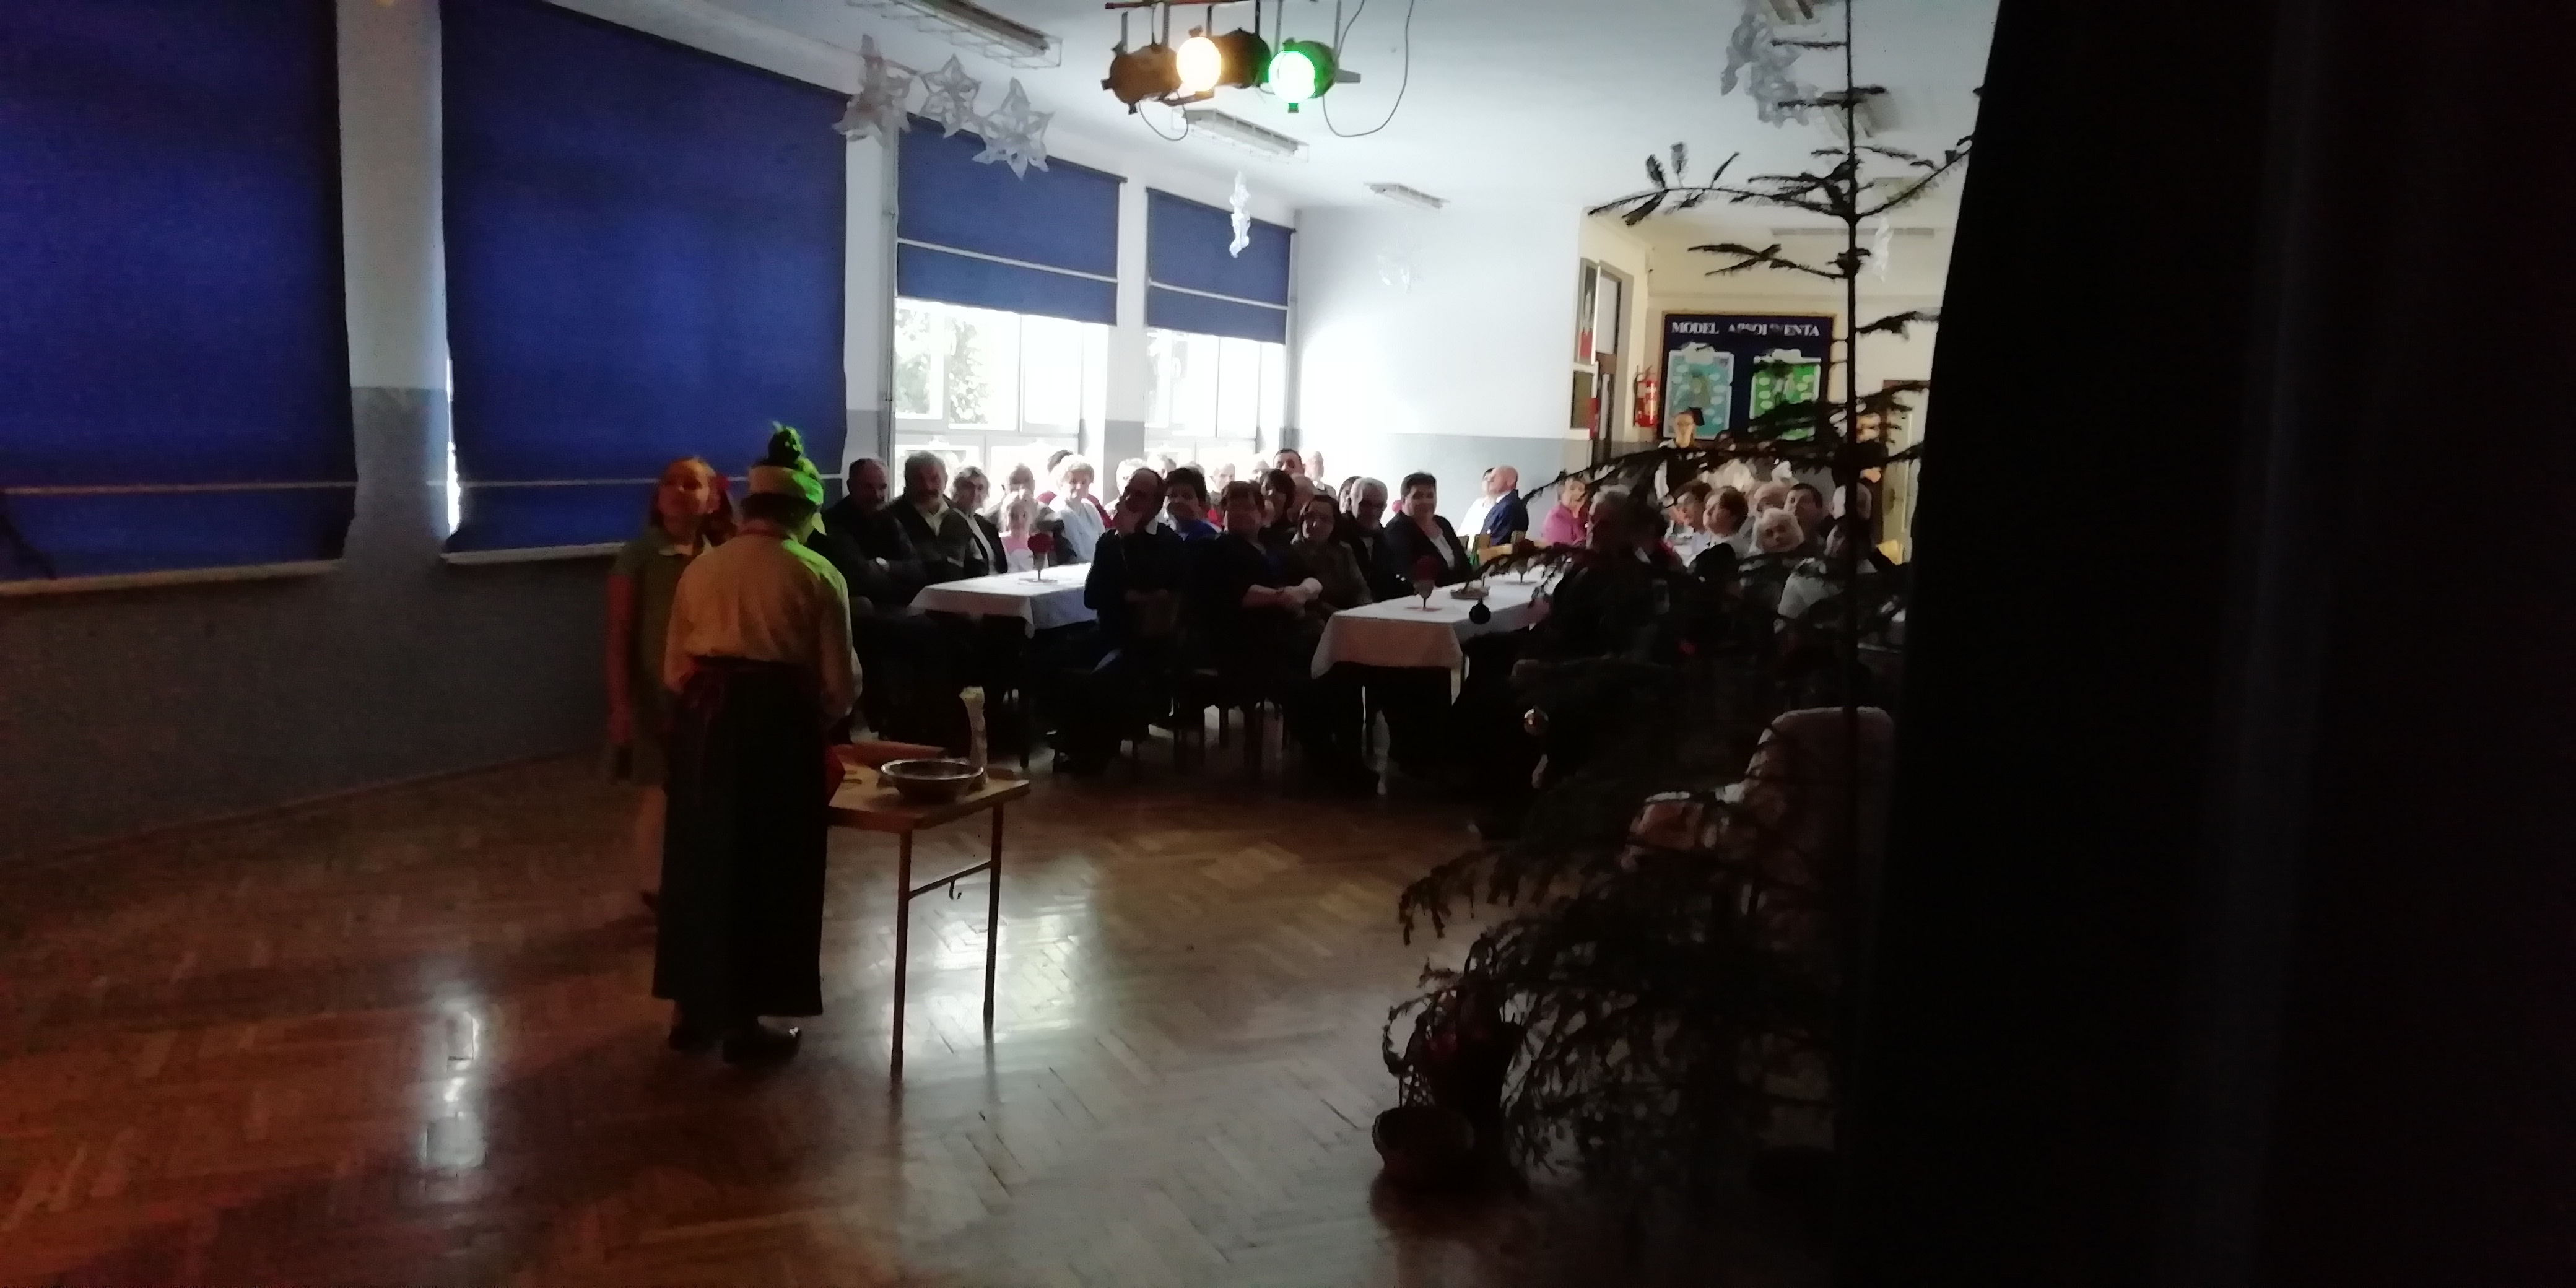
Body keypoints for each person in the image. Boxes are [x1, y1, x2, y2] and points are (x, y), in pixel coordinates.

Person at [655, 427, 857, 1064]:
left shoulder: (701, 569)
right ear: (801, 514)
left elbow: (674, 670)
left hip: (702, 725)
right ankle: (744, 1025)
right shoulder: (816, 574)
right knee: (769, 869)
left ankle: (691, 1011)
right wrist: (810, 719)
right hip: (776, 730)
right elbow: (838, 685)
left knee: (700, 864)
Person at [607, 458, 731, 911]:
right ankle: (653, 884)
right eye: (670, 483)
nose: (679, 491)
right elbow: (619, 632)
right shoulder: (638, 554)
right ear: (657, 497)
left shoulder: (719, 556)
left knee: (705, 787)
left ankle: (699, 876)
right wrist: (621, 703)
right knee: (659, 788)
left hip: (707, 690)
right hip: (656, 694)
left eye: (691, 484)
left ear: (712, 499)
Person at [890, 451, 987, 583]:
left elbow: (976, 566)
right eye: (919, 480)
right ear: (907, 481)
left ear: (946, 480)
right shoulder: (891, 517)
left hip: (958, 593)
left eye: (934, 479)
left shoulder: (958, 517)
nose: (927, 486)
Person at [1377, 472, 1474, 590]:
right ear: (1404, 500)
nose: (1426, 501)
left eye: (1430, 496)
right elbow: (1407, 576)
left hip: (1460, 593)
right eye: (1418, 496)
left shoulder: (1442, 523)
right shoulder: (1396, 530)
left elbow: (1465, 565)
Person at [1286, 492, 1373, 617]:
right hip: (1314, 619)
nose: (1315, 524)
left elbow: (1360, 588)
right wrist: (1342, 616)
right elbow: (1311, 602)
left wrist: (1365, 609)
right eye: (1310, 516)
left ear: (1335, 524)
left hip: (1348, 615)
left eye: (1324, 519)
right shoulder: (1290, 551)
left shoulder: (1343, 551)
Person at [1042, 455, 1108, 562]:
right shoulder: (1057, 510)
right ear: (1061, 483)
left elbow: (1104, 541)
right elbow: (1068, 554)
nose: (1079, 487)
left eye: (1084, 482)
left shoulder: (1090, 507)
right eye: (1073, 481)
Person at [948, 465, 1007, 577]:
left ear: (986, 494)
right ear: (956, 491)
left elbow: (1002, 563)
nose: (975, 493)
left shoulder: (985, 524)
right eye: (968, 487)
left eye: (980, 488)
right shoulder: (952, 522)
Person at [1468, 466, 1530, 547]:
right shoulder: (1504, 504)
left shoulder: (1509, 507)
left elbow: (1496, 544)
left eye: (1494, 477)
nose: (1489, 480)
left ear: (1510, 481)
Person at [1162, 466, 1219, 540]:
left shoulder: (1208, 536)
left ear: (1201, 503)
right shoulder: (1163, 534)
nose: (1178, 500)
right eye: (1173, 496)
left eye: (1187, 496)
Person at [1668, 481, 1715, 565]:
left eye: (1688, 502)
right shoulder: (1694, 540)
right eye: (1679, 506)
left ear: (1705, 503)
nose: (1683, 510)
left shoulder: (1718, 538)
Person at [1539, 476, 1591, 547]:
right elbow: (1566, 549)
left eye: (1581, 489)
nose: (1577, 493)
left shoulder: (1583, 515)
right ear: (1562, 494)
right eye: (1572, 489)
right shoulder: (1556, 518)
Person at [1258, 468, 1302, 548]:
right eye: (1267, 488)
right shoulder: (1251, 526)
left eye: (1278, 490)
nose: (1271, 493)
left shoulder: (1292, 533)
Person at [1788, 483, 1832, 557]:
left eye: (1804, 501)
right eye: (1792, 501)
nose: (1796, 505)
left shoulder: (1828, 544)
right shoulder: (1776, 544)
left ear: (1819, 508)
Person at [999, 495, 1042, 572]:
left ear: (1032, 518)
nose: (1019, 521)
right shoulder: (999, 542)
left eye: (1024, 516)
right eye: (1013, 516)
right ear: (1005, 518)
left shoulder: (1038, 543)